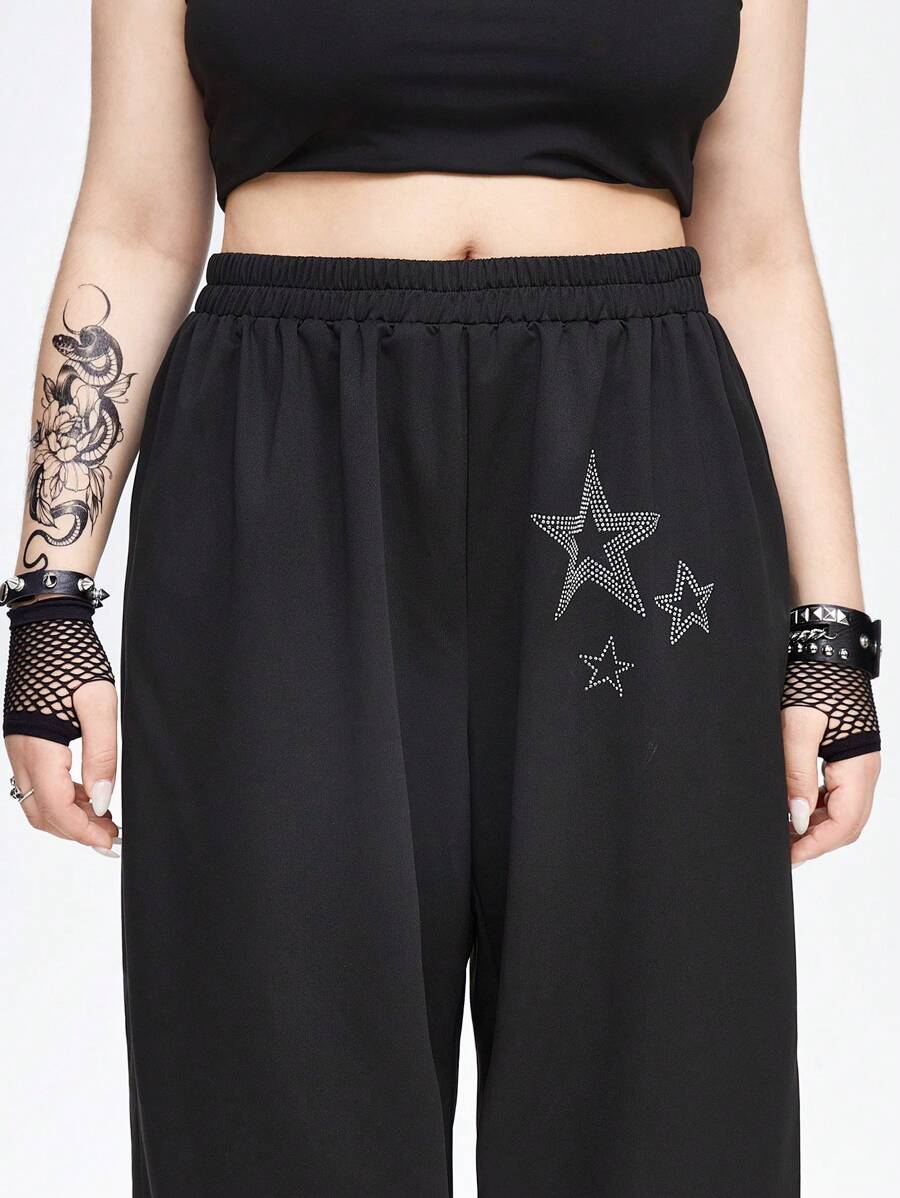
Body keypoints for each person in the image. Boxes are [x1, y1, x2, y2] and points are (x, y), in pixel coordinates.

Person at [2, 1, 882, 1194]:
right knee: (268, 1089)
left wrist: (830, 628)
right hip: (284, 477)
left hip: (632, 476)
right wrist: (50, 600)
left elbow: (759, 244)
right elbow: (137, 224)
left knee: (667, 1102)